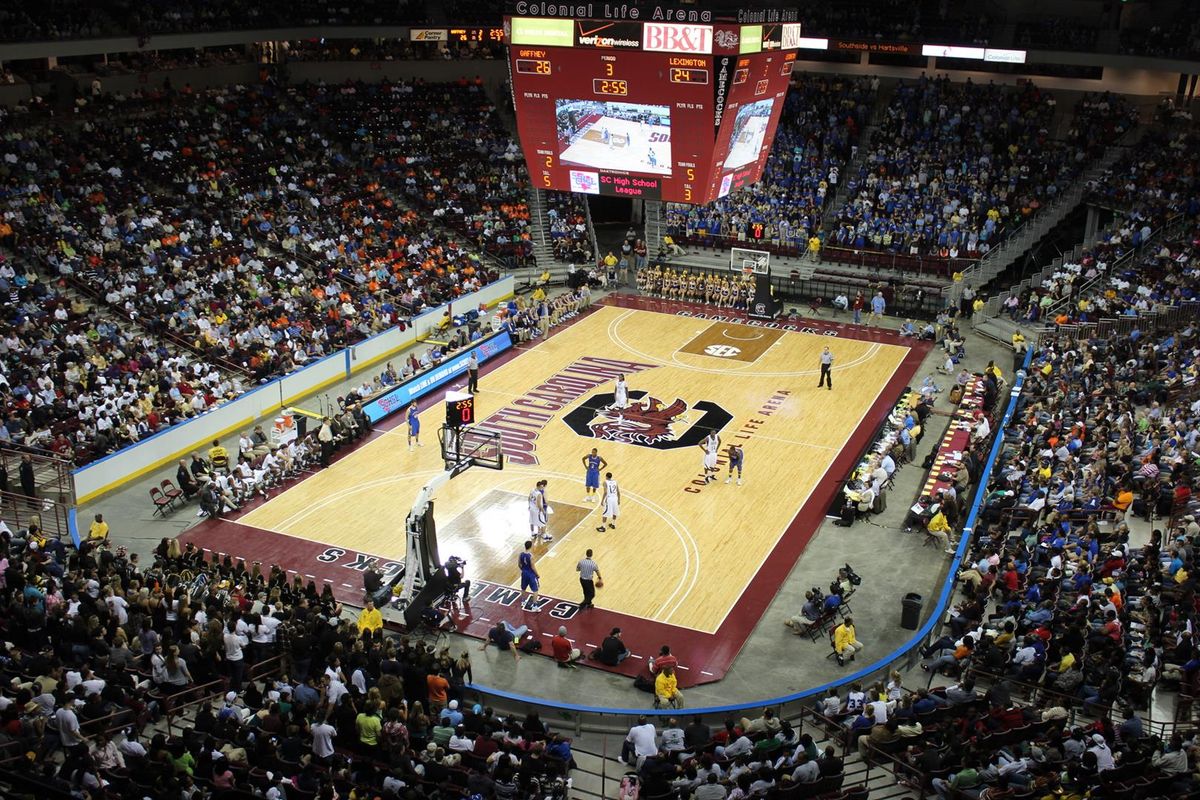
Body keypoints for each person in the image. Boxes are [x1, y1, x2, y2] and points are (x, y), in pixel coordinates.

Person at [518, 540, 541, 611]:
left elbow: (519, 564)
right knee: (535, 590)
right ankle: (534, 606)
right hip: (531, 574)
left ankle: (523, 601)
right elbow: (533, 567)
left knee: (523, 588)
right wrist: (537, 574)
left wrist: (523, 570)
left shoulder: (521, 554)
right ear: (531, 546)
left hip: (524, 573)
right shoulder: (531, 556)